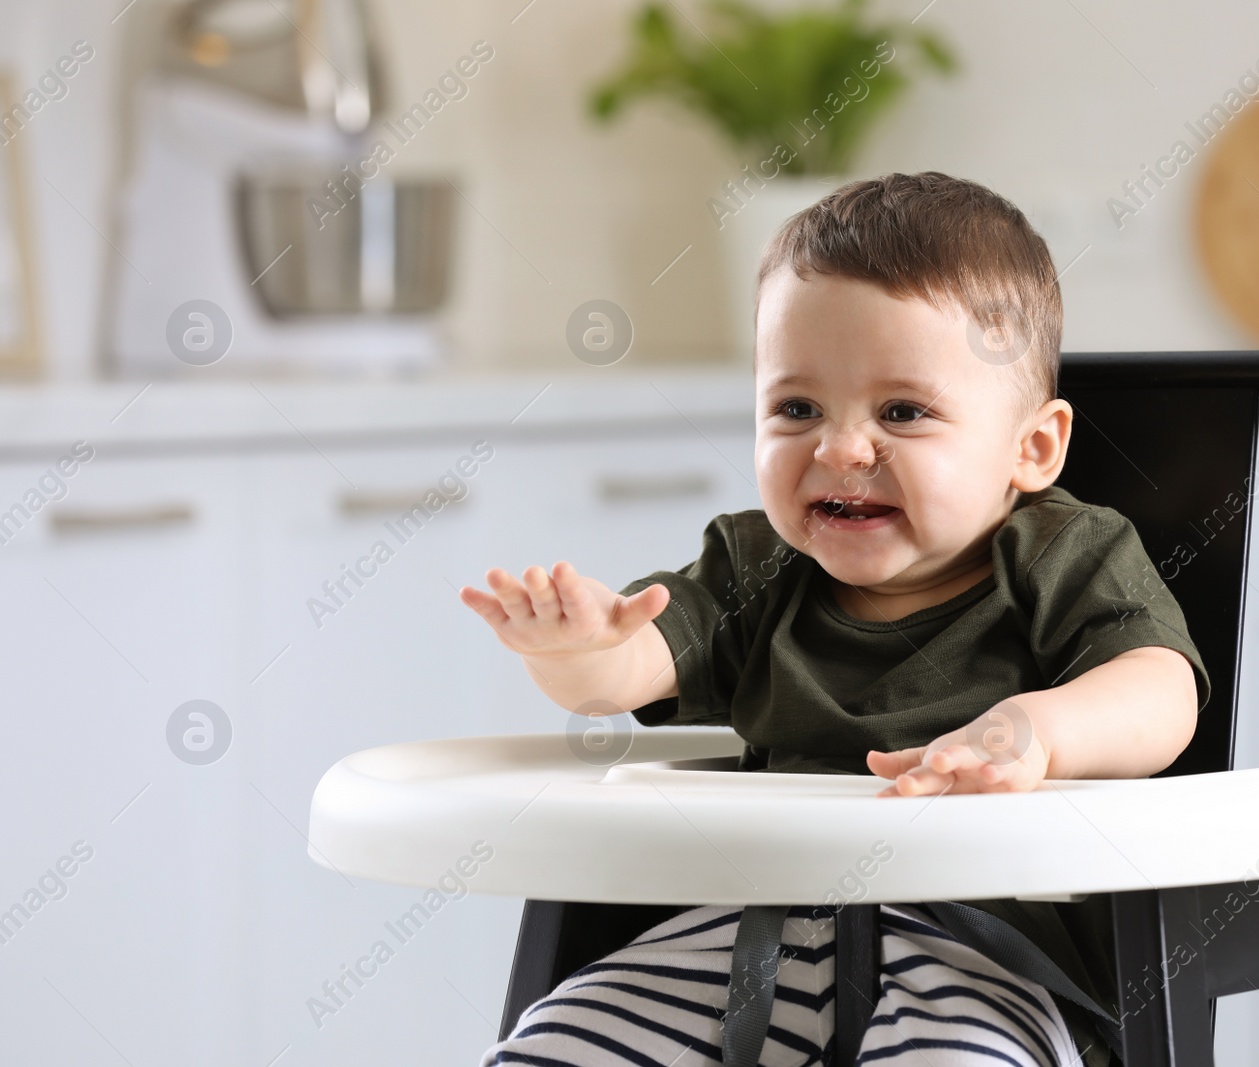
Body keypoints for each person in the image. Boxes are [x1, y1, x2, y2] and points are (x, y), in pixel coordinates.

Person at [459, 171, 1211, 1067]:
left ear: (1032, 447)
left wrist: (1033, 731)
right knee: (555, 1045)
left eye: (902, 411)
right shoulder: (754, 567)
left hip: (982, 960)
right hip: (742, 942)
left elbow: (1163, 689)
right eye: (796, 407)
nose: (840, 448)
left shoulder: (1063, 556)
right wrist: (579, 649)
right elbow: (635, 667)